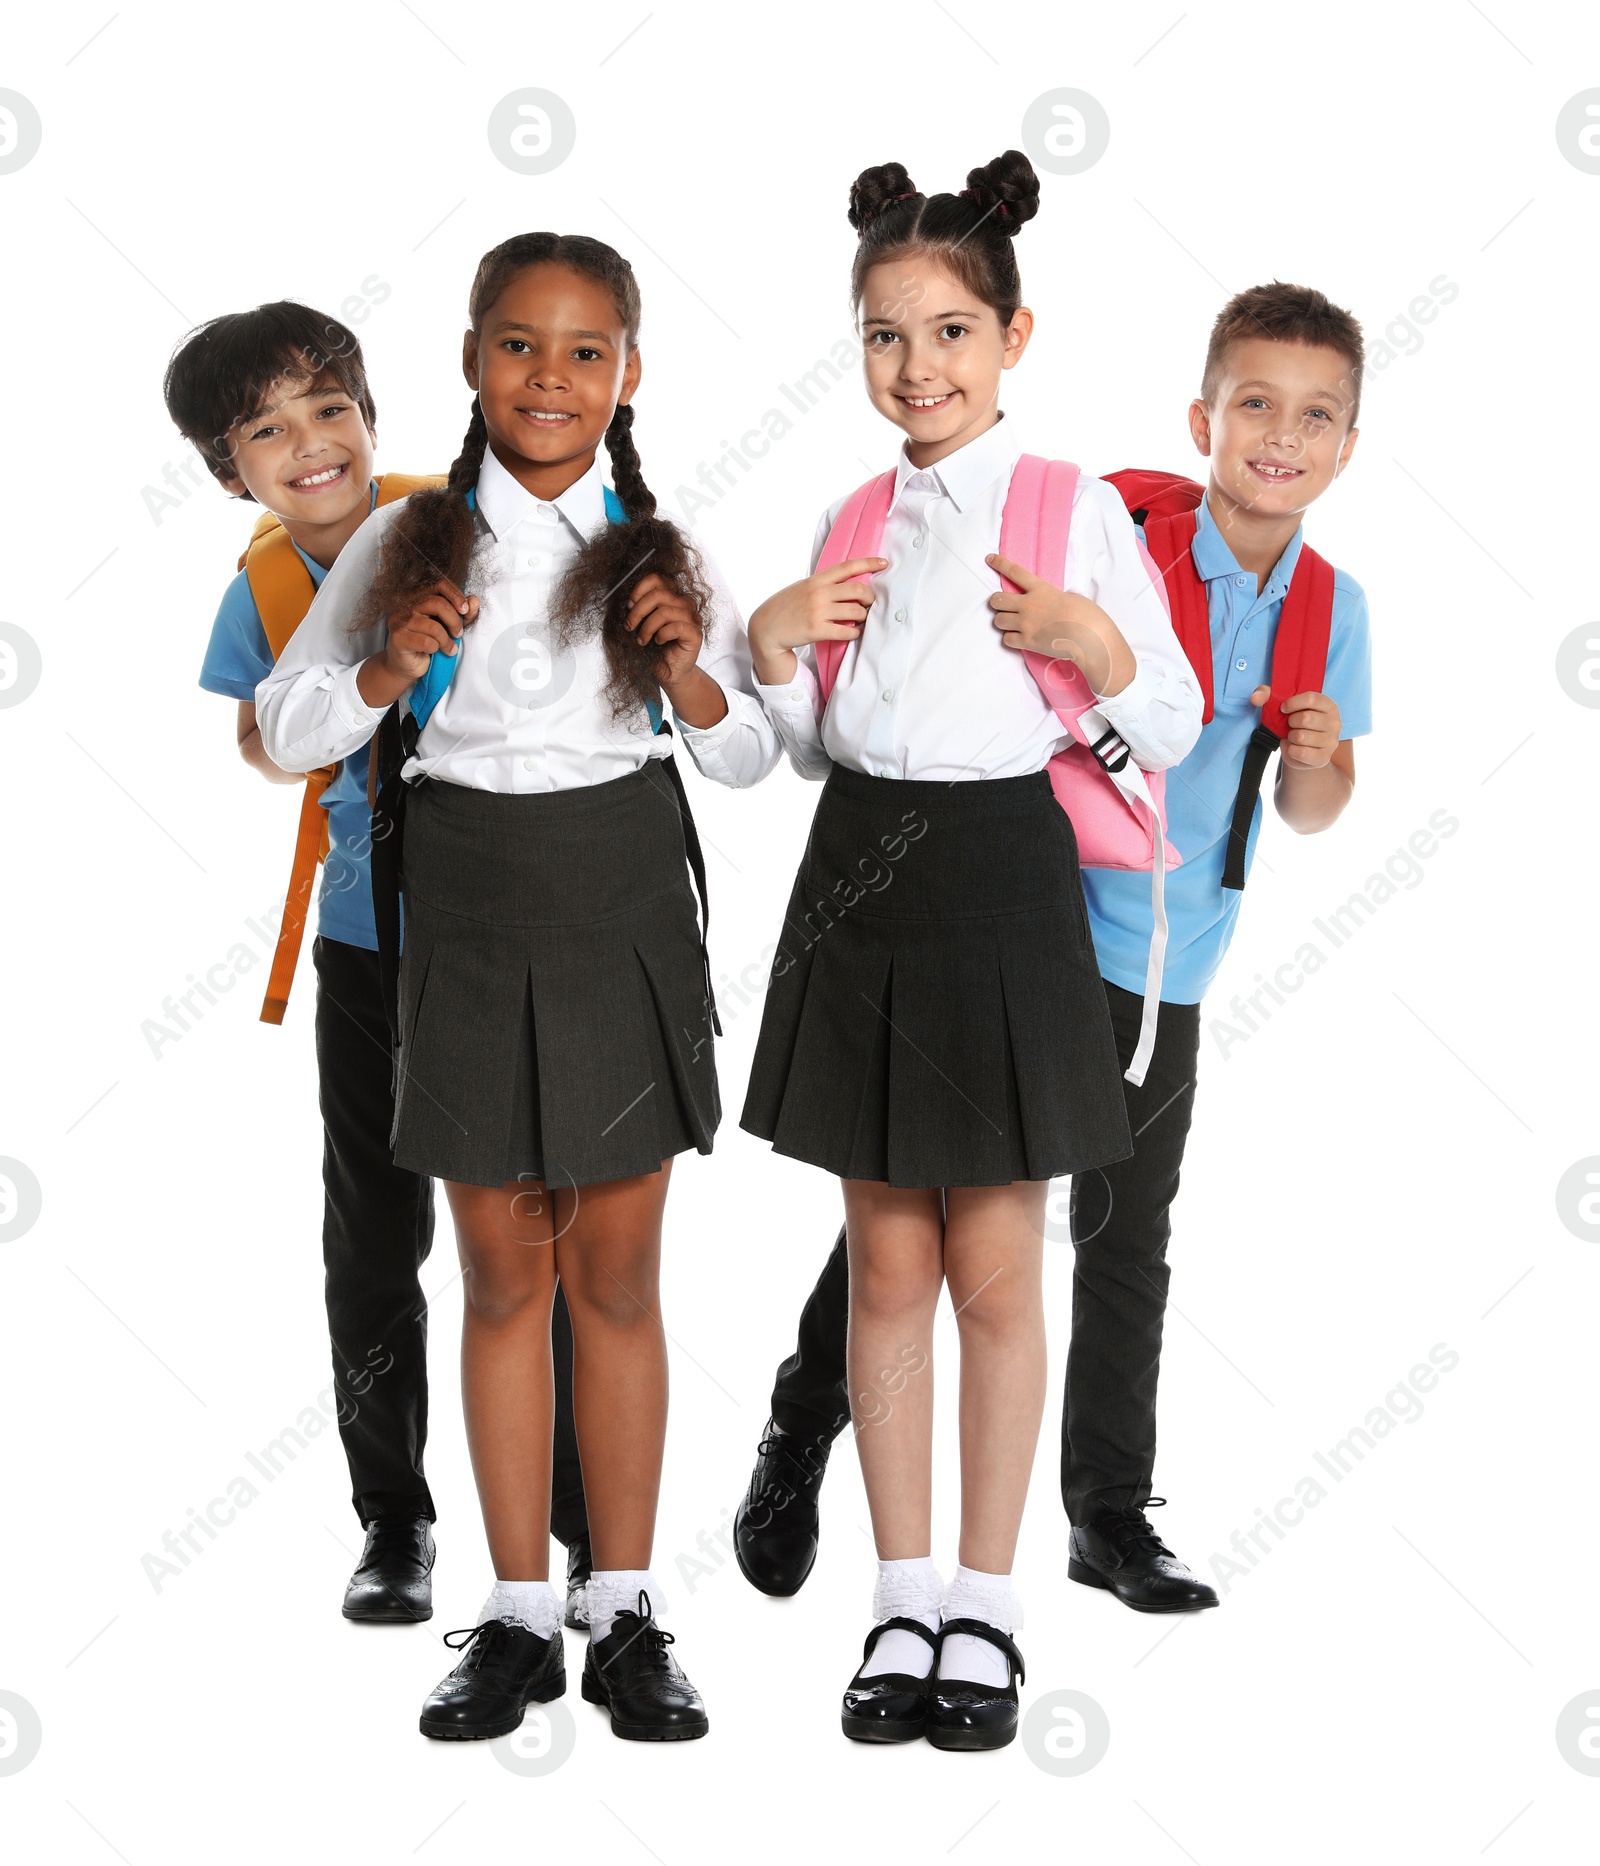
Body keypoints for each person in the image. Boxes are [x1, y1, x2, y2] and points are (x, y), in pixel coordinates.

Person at [732, 279, 1373, 1627]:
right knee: (908, 1230)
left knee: (1121, 1233)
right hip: (1025, 918)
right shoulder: (1114, 521)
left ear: (1345, 446)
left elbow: (1299, 801)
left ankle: (1104, 1516)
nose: (1279, 434)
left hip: (1162, 956)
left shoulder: (1330, 608)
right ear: (1202, 418)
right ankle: (807, 1422)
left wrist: (1319, 761)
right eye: (1253, 403)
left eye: (1314, 416)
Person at [256, 232, 780, 1743]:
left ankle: (623, 1603)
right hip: (467, 909)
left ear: (628, 374)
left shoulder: (661, 543)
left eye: (586, 352)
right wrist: (373, 675)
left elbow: (753, 753)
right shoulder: (402, 543)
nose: (551, 379)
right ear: (473, 358)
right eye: (519, 347)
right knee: (500, 1275)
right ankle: (514, 1615)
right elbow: (289, 726)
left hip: (622, 901)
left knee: (614, 1275)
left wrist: (688, 675)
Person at [737, 152, 1202, 1750]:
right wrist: (773, 644)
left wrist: (1101, 647)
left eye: (948, 331)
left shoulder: (1072, 508)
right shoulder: (852, 510)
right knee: (887, 1261)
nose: (916, 366)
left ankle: (990, 1609)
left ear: (1013, 336)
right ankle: (901, 1597)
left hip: (1005, 873)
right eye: (884, 335)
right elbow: (807, 742)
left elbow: (1171, 727)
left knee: (997, 1268)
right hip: (859, 866)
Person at [171, 303, 446, 1623]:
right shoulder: (266, 587)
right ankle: (393, 1518)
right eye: (269, 430)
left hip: (511, 927)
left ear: (372, 417)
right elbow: (256, 738)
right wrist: (326, 717)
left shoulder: (453, 519)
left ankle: (573, 1509)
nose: (311, 443)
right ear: (234, 471)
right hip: (368, 938)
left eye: (330, 408)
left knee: (540, 1223)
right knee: (373, 1238)